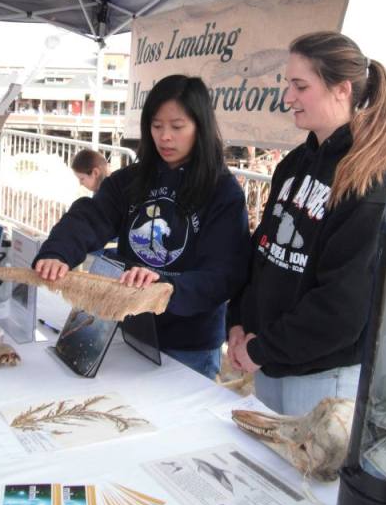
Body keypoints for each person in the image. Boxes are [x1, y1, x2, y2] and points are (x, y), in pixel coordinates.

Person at [227, 31, 386, 414]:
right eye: (287, 84)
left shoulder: (370, 180)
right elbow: (264, 253)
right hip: (270, 363)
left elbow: (343, 307)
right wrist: (239, 321)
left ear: (341, 90)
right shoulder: (294, 164)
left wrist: (261, 348)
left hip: (322, 379)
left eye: (300, 86)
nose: (287, 97)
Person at [34, 75, 249, 379]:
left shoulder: (223, 192)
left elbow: (224, 274)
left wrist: (163, 286)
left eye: (177, 127)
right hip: (126, 329)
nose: (165, 137)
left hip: (189, 345)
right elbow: (90, 218)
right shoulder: (130, 181)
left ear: (200, 127)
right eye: (156, 126)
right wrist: (58, 252)